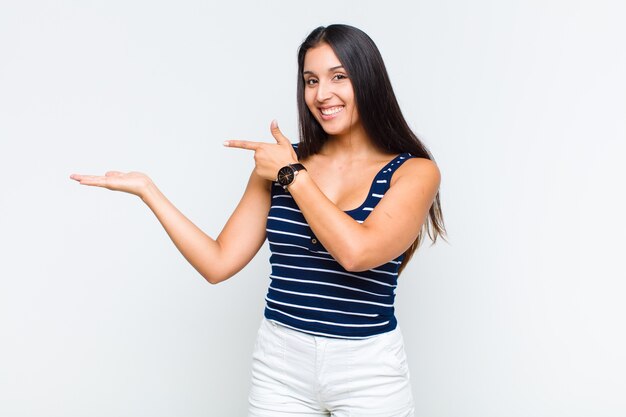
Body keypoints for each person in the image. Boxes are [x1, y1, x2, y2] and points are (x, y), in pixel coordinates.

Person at [71, 24, 445, 417]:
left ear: (368, 81)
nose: (322, 94)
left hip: (368, 369)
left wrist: (292, 176)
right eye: (311, 80)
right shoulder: (280, 165)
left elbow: (357, 254)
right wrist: (149, 190)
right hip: (281, 363)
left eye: (339, 77)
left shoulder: (413, 172)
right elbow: (218, 263)